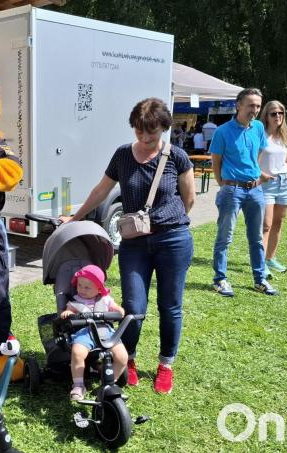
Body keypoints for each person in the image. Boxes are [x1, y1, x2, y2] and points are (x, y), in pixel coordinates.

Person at [60, 97, 195, 394]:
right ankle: (129, 358)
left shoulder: (177, 156)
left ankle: (165, 365)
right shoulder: (122, 155)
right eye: (139, 132)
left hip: (173, 240)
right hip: (134, 243)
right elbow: (100, 190)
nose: (145, 139)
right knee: (134, 306)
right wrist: (74, 217)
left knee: (170, 305)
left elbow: (189, 200)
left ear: (164, 128)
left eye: (152, 133)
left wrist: (167, 223)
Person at [210, 88, 278, 297]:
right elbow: (216, 163)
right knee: (225, 237)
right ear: (238, 105)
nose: (255, 110)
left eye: (258, 106)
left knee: (256, 237)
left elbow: (256, 155)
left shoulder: (258, 127)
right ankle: (220, 279)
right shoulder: (222, 132)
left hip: (255, 190)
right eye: (251, 105)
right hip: (232, 190)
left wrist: (256, 178)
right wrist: (226, 185)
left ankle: (260, 280)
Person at [59, 265, 128, 400]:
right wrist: (68, 313)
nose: (82, 290)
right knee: (77, 353)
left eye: (87, 287)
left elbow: (116, 309)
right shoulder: (75, 301)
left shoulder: (105, 299)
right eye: (80, 285)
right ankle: (78, 385)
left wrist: (119, 310)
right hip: (84, 333)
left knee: (122, 357)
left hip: (106, 331)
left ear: (99, 288)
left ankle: (109, 383)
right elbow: (68, 311)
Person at [258, 101, 287, 278]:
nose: (278, 116)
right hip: (267, 184)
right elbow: (252, 161)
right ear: (266, 116)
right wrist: (262, 175)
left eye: (281, 113)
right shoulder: (260, 135)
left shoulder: (284, 136)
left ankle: (270, 258)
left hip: (285, 183)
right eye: (273, 113)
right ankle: (260, 264)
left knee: (278, 223)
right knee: (266, 225)